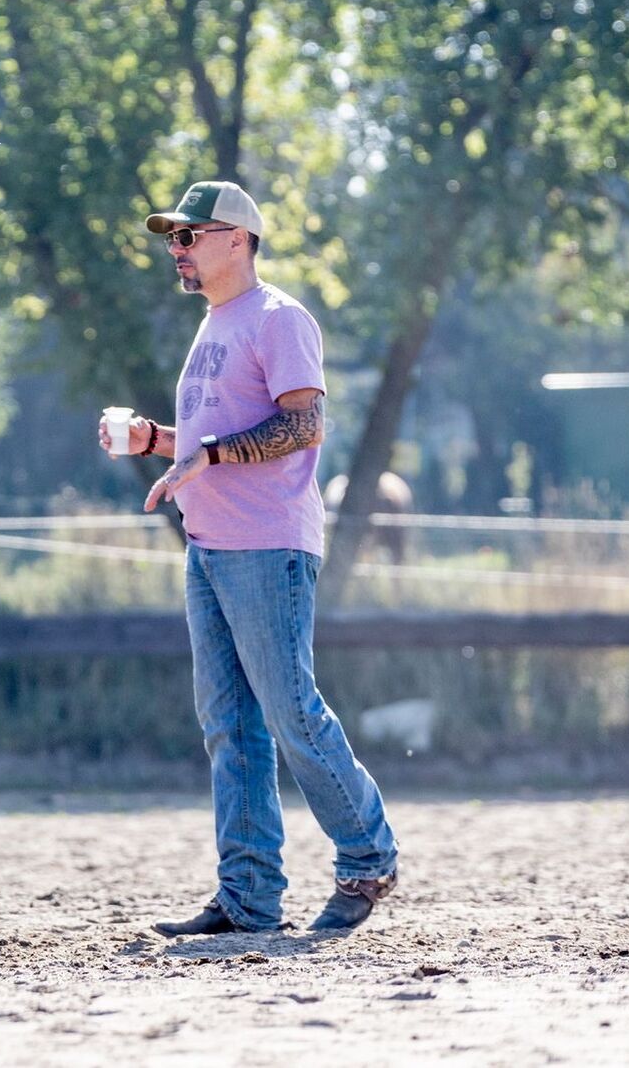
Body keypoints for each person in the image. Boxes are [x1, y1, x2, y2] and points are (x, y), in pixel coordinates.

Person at [100, 180, 399, 934]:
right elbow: (215, 443)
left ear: (238, 239)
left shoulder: (279, 318)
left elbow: (305, 425)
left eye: (189, 235)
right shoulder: (214, 324)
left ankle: (369, 858)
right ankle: (248, 898)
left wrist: (209, 454)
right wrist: (155, 441)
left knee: (291, 711)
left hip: (268, 545)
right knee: (230, 726)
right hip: (210, 547)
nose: (177, 249)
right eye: (173, 238)